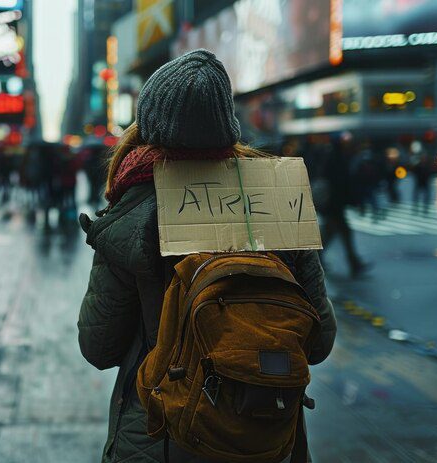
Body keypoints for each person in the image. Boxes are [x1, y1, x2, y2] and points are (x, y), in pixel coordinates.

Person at [77, 50, 337, 463]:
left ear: (148, 125)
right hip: (261, 436)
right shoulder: (274, 203)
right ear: (226, 124)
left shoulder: (132, 213)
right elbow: (318, 342)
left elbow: (98, 347)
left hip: (160, 436)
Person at [319, 134, 371, 278]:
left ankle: (354, 263)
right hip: (334, 205)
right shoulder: (337, 158)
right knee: (340, 234)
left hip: (333, 205)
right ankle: (354, 263)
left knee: (332, 235)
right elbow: (343, 184)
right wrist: (354, 201)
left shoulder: (334, 157)